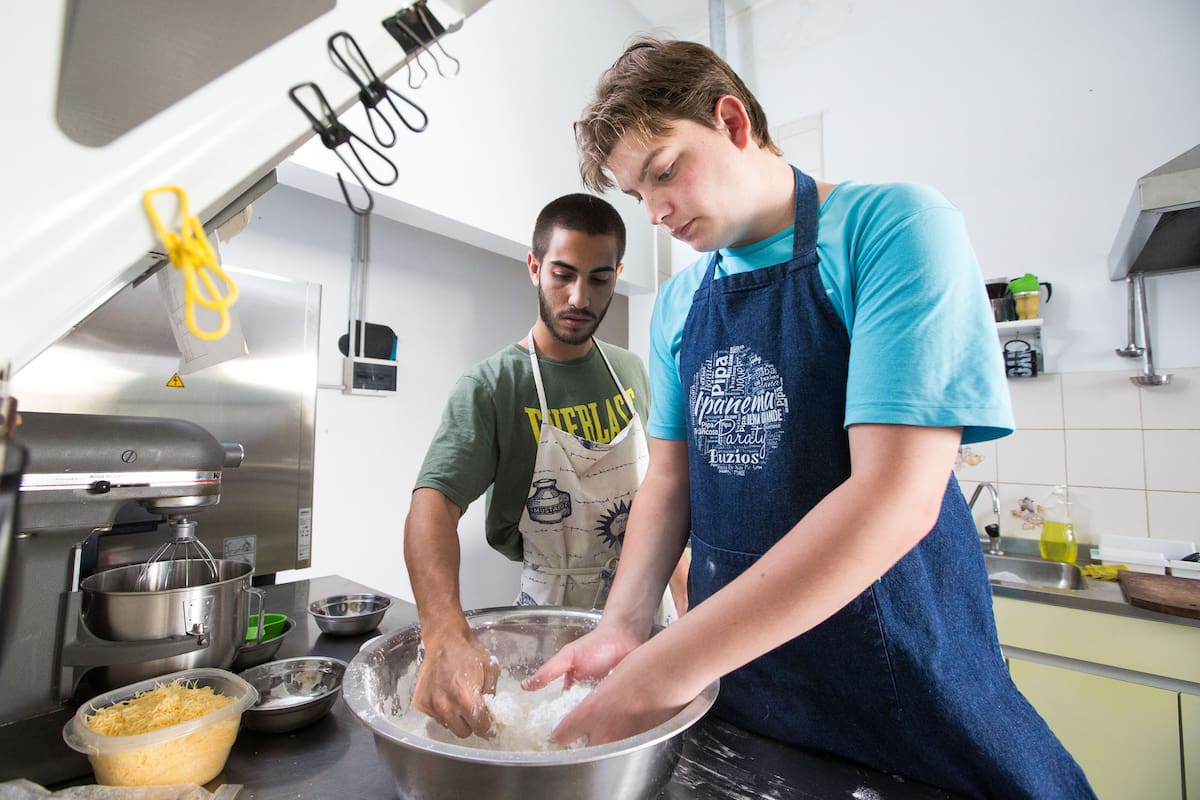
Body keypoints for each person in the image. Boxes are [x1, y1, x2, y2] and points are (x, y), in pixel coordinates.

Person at [526, 37, 1096, 799]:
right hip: (744, 692)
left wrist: (661, 668)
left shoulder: (890, 228)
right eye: (638, 195)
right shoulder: (676, 305)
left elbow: (894, 498)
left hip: (906, 692)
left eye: (663, 171)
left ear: (732, 122)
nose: (656, 211)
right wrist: (624, 627)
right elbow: (670, 479)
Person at [404, 192, 688, 740]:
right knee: (553, 742)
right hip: (549, 619)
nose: (580, 297)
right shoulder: (493, 387)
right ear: (534, 267)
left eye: (600, 279)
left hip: (645, 615)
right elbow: (431, 507)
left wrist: (683, 588)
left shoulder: (629, 372)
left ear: (618, 275)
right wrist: (442, 631)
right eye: (562, 274)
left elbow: (661, 491)